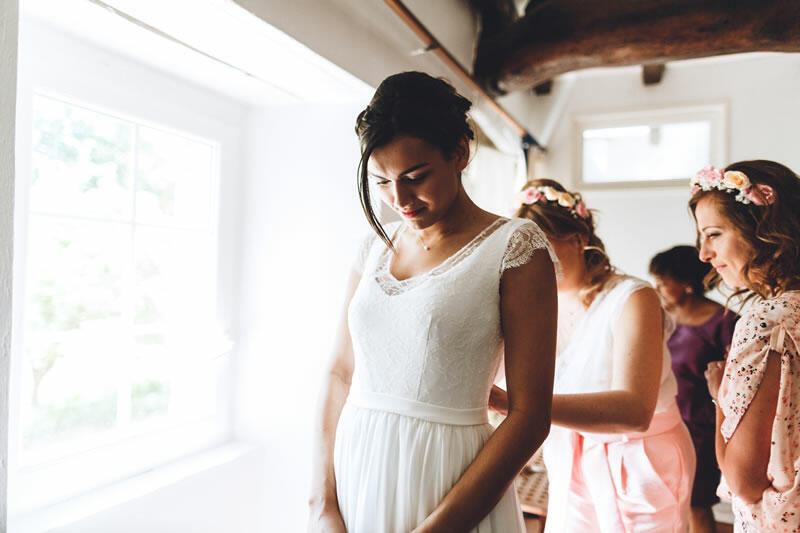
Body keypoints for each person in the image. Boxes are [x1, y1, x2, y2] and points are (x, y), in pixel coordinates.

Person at [307, 71, 559, 533]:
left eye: (415, 176)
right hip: (356, 468)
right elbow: (340, 372)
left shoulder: (515, 247)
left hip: (449, 479)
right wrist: (322, 503)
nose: (399, 198)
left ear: (460, 151)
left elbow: (530, 417)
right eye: (380, 181)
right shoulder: (373, 247)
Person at [491, 179, 695, 531]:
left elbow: (634, 412)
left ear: (579, 238)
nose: (533, 263)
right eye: (523, 253)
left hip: (639, 465)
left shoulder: (633, 298)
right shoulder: (533, 308)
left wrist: (516, 404)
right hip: (569, 461)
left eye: (544, 248)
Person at [691, 160, 800, 532]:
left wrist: (720, 396)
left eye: (715, 234)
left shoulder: (765, 323)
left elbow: (744, 482)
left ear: (762, 231)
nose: (704, 253)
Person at [649, 245, 738, 533]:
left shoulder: (725, 322)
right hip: (664, 423)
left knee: (696, 504)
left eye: (663, 281)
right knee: (670, 502)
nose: (657, 288)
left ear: (685, 282)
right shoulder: (661, 319)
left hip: (702, 428)